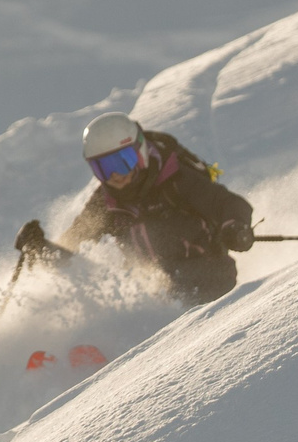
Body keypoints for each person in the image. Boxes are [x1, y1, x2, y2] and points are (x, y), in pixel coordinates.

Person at [14, 113, 254, 306]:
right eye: (103, 168)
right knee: (118, 289)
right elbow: (72, 245)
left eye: (122, 161)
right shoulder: (106, 203)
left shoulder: (175, 180)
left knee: (155, 288)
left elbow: (229, 204)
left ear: (140, 153)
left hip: (210, 277)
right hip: (154, 292)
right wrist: (40, 248)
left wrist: (235, 227)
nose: (115, 175)